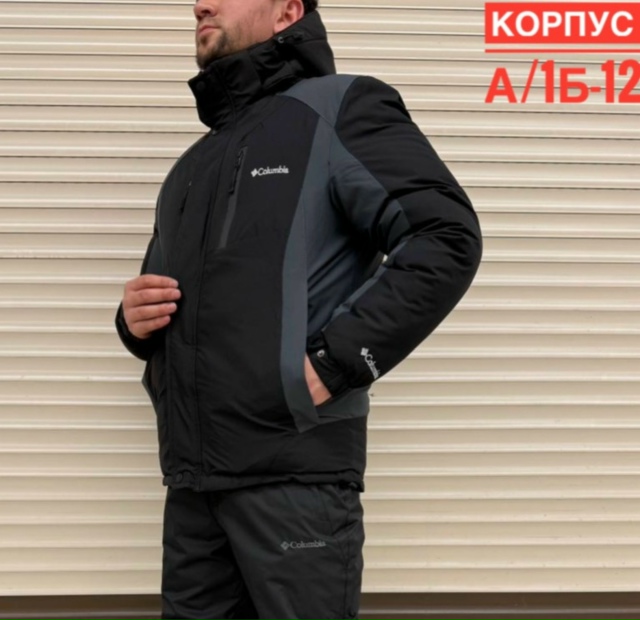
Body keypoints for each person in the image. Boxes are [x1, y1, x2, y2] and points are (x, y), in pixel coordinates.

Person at [114, 0, 482, 618]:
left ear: (288, 11)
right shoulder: (191, 168)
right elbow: (173, 304)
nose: (201, 4)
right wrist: (132, 320)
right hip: (193, 489)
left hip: (295, 483)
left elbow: (444, 237)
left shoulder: (339, 108)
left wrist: (335, 364)